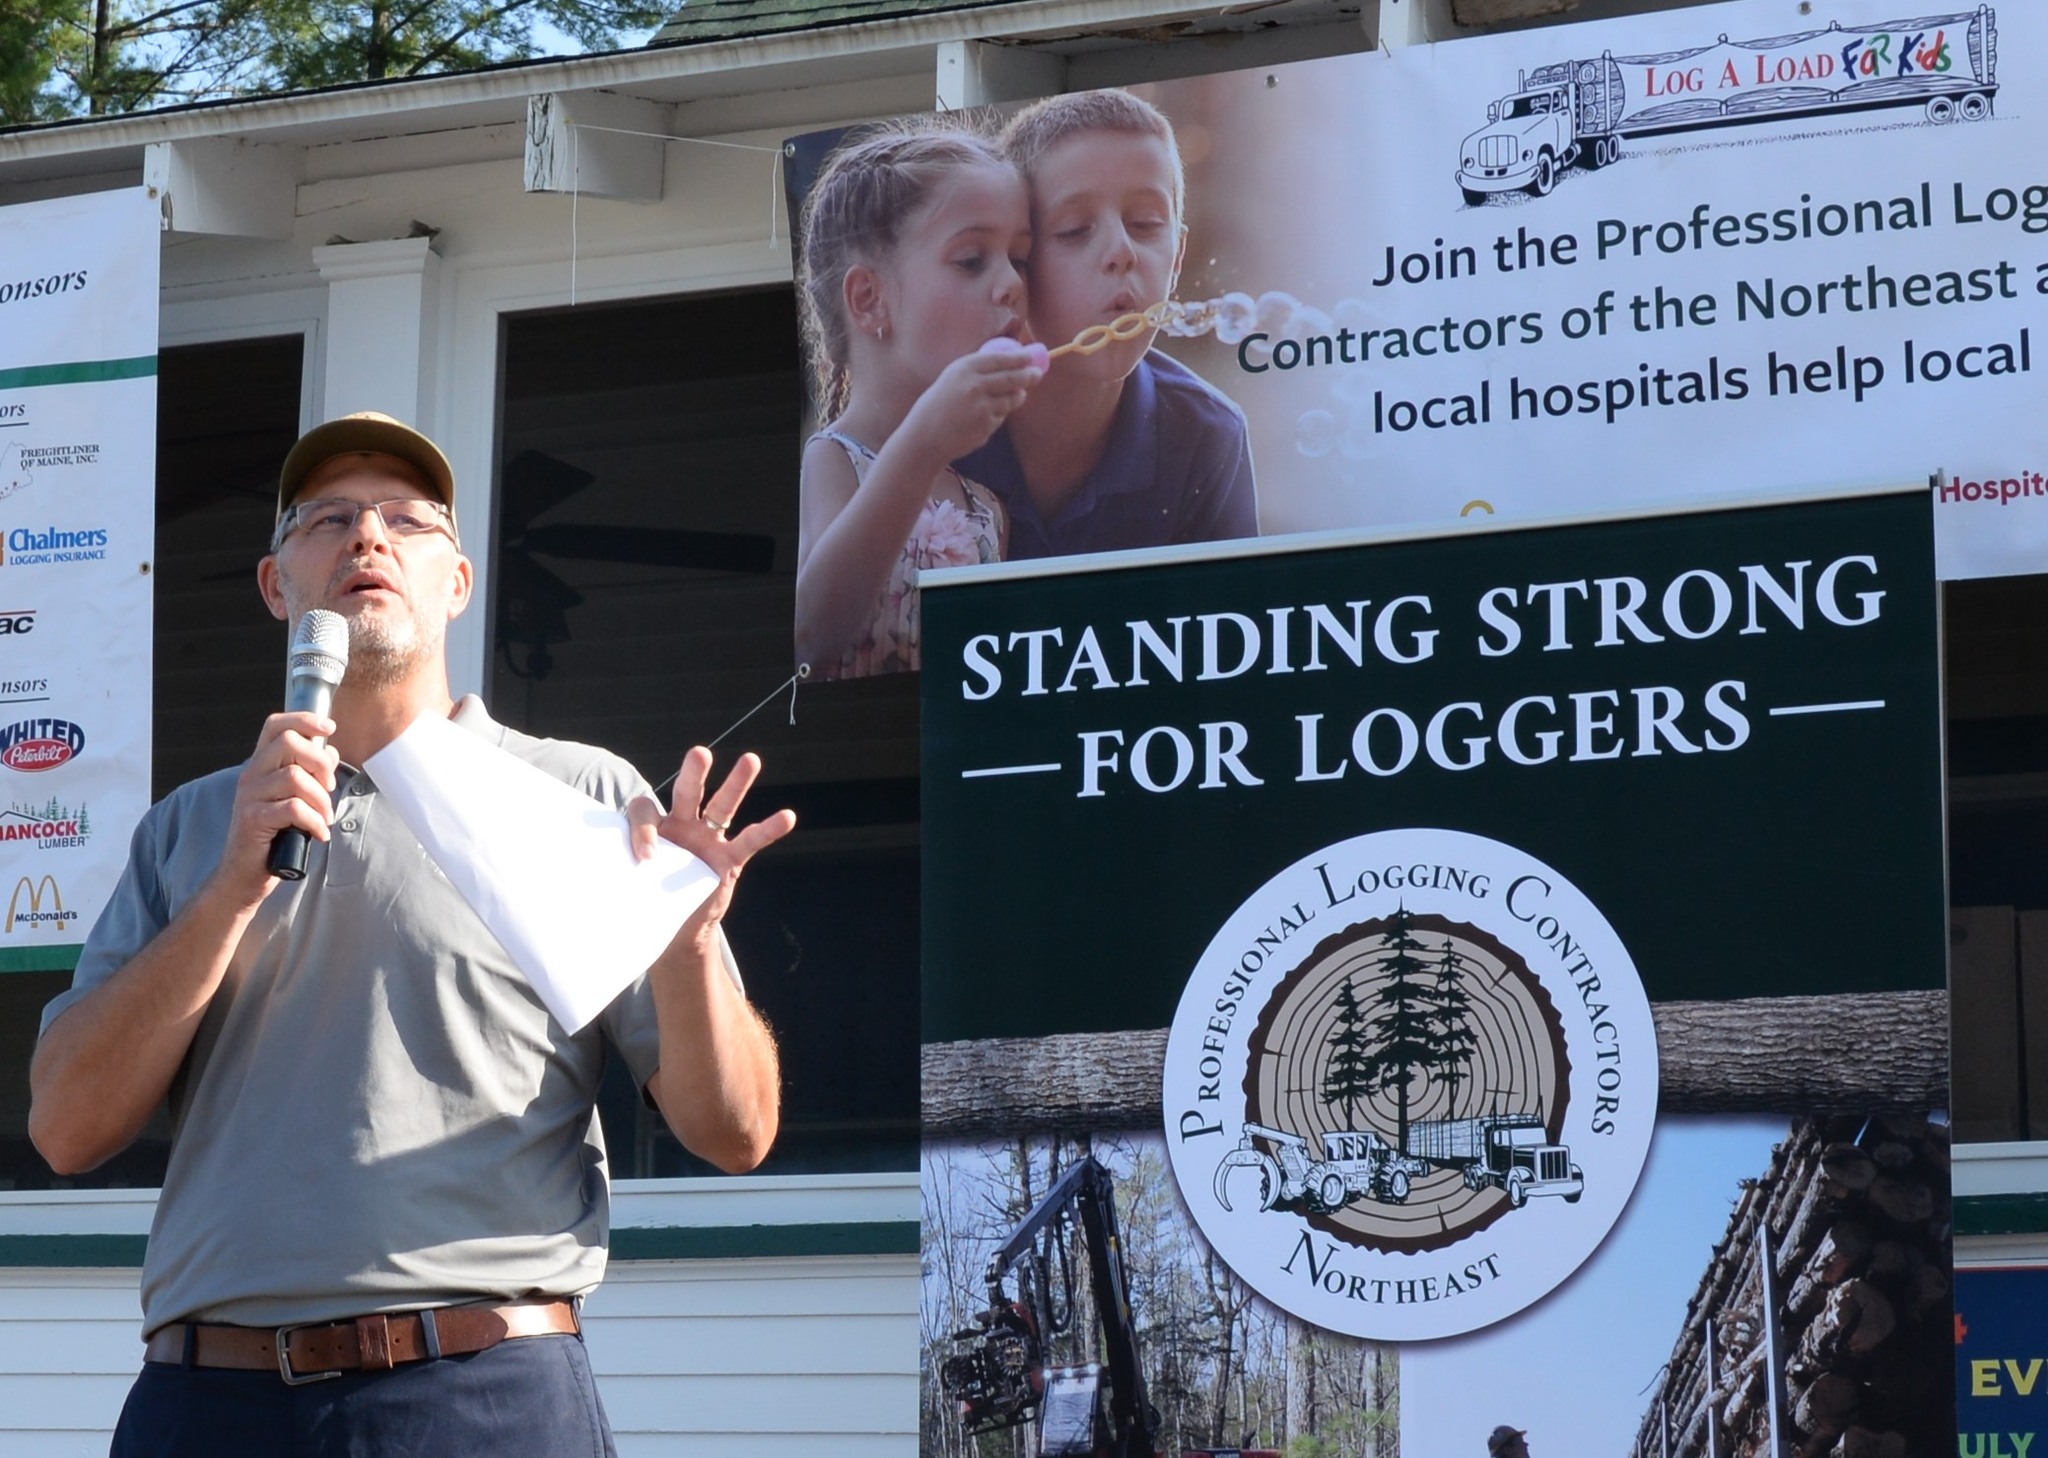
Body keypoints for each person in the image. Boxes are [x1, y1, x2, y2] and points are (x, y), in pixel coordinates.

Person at [27, 410, 793, 1455]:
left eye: (407, 520)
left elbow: (734, 1132)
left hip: (479, 1394)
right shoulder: (187, 829)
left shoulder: (583, 800)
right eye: (328, 518)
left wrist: (690, 944)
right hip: (208, 1402)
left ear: (459, 582)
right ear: (274, 586)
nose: (367, 539)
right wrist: (227, 896)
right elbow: (66, 1128)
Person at [794, 123, 1049, 679]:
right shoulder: (832, 461)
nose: (1011, 284)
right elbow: (814, 634)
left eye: (1020, 258)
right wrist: (925, 440)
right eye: (971, 260)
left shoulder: (987, 508)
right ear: (869, 300)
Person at [958, 88, 1258, 559]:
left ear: (1177, 257)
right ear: (1016, 257)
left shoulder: (1207, 435)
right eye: (1075, 230)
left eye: (1145, 222)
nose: (1122, 252)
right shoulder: (941, 419)